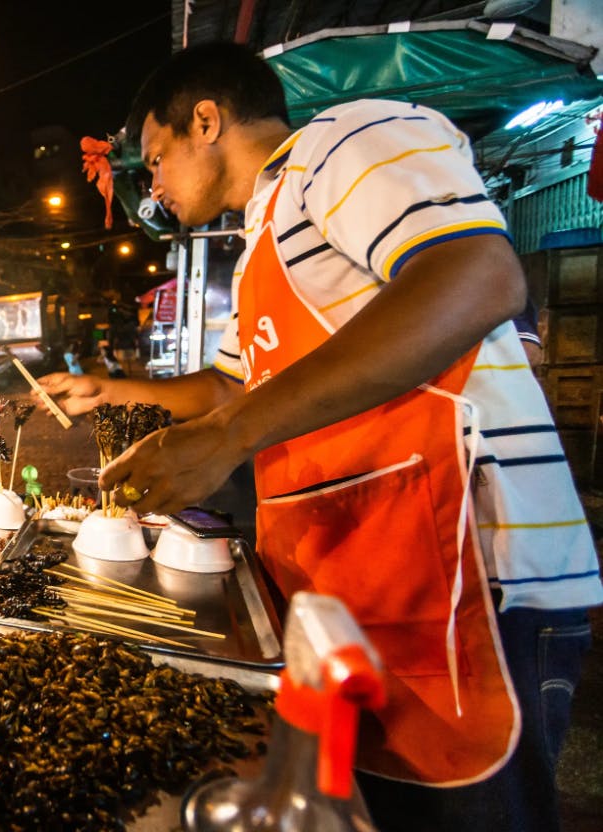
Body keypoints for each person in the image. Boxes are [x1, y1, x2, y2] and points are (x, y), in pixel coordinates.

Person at [39, 42, 600, 832]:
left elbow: (478, 276)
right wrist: (115, 389)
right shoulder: (259, 242)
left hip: (472, 575)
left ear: (207, 121)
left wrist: (228, 436)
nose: (153, 186)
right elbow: (234, 387)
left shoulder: (347, 139)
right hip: (362, 584)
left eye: (157, 158)